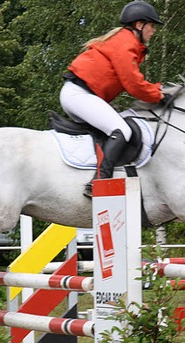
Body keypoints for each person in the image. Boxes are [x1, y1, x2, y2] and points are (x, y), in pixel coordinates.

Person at [60, 0, 166, 197]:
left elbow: (134, 80)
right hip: (79, 95)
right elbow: (133, 83)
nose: (154, 31)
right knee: (122, 130)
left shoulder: (124, 41)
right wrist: (158, 94)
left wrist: (156, 90)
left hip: (80, 94)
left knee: (109, 129)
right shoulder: (125, 43)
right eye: (152, 25)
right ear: (139, 25)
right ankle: (99, 182)